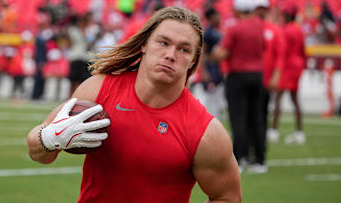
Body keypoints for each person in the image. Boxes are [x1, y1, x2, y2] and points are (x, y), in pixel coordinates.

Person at [27, 6, 241, 203]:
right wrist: (49, 137)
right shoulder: (98, 90)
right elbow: (37, 152)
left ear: (193, 60)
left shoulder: (206, 132)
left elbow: (228, 197)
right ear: (145, 44)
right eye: (163, 42)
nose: (170, 55)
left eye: (184, 49)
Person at [212, 0, 266, 173]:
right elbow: (263, 48)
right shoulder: (260, 27)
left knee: (238, 118)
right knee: (256, 118)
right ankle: (259, 159)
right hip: (257, 75)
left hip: (238, 76)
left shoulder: (235, 29)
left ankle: (240, 158)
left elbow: (222, 53)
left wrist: (214, 52)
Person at [269, 5, 306, 145]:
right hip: (297, 66)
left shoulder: (283, 30)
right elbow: (303, 50)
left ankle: (273, 131)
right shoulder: (299, 30)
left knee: (278, 98)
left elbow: (281, 51)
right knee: (295, 99)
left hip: (286, 67)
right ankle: (299, 132)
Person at [253, 0, 285, 144]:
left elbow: (280, 56)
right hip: (250, 77)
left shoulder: (274, 30)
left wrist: (276, 77)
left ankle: (260, 148)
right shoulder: (250, 28)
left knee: (263, 114)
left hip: (265, 80)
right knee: (249, 115)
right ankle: (247, 150)